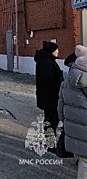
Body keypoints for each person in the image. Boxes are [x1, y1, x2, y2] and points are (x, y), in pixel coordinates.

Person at [58, 44, 87, 178]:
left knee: (83, 161)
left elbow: (61, 107)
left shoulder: (66, 82)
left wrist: (65, 121)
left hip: (74, 129)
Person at [34, 40, 63, 136]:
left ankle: (49, 139)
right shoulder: (46, 63)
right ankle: (49, 141)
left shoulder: (48, 61)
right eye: (56, 50)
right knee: (51, 119)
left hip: (49, 96)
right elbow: (48, 80)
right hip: (49, 96)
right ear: (51, 51)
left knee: (51, 118)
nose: (58, 52)